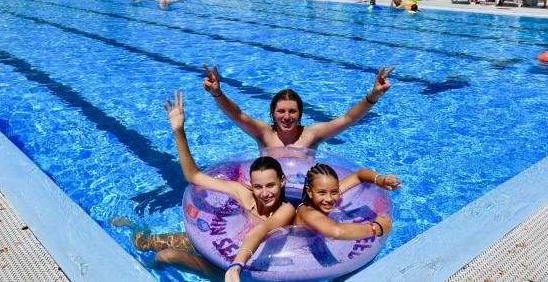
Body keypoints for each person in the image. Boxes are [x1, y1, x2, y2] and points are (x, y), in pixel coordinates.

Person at [116, 92, 295, 281]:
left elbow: (260, 231)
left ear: (282, 181)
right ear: (251, 185)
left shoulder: (286, 210)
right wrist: (179, 131)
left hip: (239, 270)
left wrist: (236, 265)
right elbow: (194, 176)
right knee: (143, 243)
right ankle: (137, 227)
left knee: (166, 256)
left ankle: (148, 268)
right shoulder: (243, 193)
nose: (265, 193)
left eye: (271, 185)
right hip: (218, 243)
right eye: (258, 186)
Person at [202, 64, 395, 150]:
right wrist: (218, 93)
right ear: (273, 114)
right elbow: (237, 115)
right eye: (281, 111)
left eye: (292, 111)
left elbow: (348, 119)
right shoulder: (263, 133)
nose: (286, 117)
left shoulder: (312, 134)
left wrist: (374, 95)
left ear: (300, 114)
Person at [294, 163, 399, 240]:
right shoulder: (308, 213)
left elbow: (359, 175)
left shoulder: (328, 193)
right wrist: (377, 228)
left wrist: (381, 180)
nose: (329, 199)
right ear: (309, 191)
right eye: (322, 193)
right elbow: (336, 232)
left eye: (334, 192)